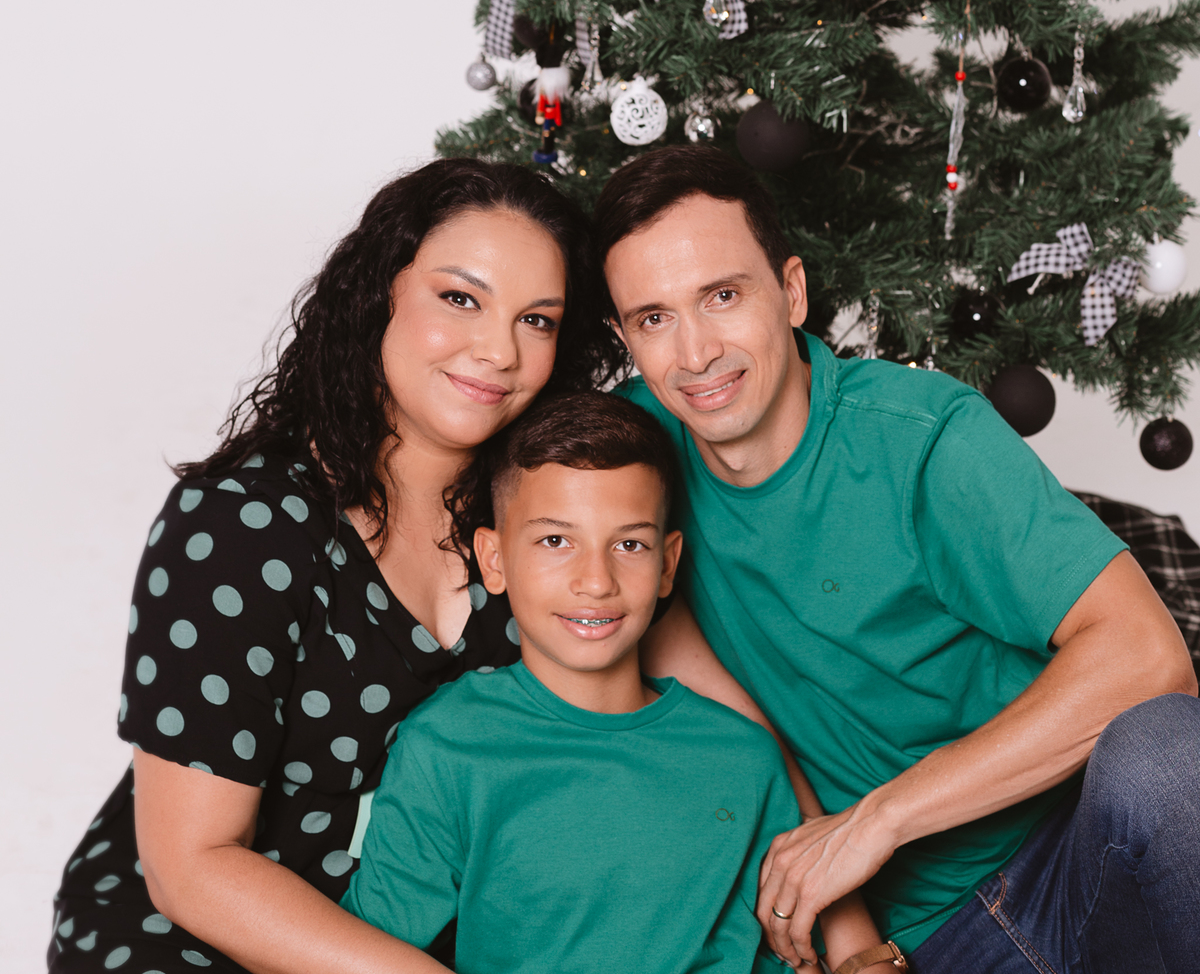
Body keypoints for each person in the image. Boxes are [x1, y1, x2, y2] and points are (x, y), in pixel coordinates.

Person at [596, 145, 1200, 974]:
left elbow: (1150, 657)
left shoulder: (922, 439)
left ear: (792, 292)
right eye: (654, 319)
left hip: (1078, 857)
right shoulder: (629, 455)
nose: (695, 353)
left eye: (723, 296)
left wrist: (878, 821)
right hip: (926, 942)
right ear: (626, 337)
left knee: (1168, 753)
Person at [49, 158, 622, 974]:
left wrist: (812, 851)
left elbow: (689, 692)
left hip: (426, 943)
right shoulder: (241, 525)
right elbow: (190, 869)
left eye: (536, 320)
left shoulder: (544, 521)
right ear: (381, 293)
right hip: (194, 944)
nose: (499, 351)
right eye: (460, 299)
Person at [342, 391, 897, 974]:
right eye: (556, 541)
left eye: (629, 544)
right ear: (494, 559)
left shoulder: (743, 756)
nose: (596, 581)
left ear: (667, 564)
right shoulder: (448, 746)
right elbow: (365, 951)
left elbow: (809, 943)